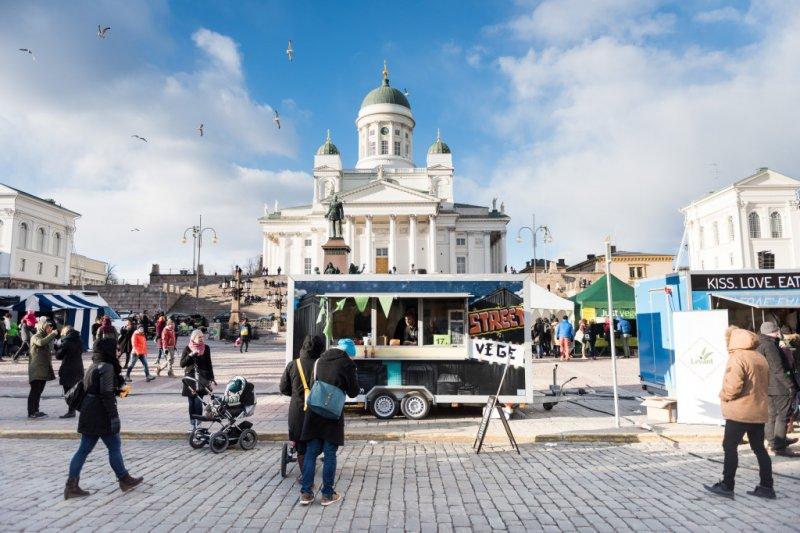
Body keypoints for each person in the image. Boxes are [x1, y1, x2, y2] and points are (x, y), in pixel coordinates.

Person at [64, 338, 143, 499]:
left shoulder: (95, 364)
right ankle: (124, 479)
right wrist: (114, 417)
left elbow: (114, 392)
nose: (118, 351)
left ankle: (71, 486)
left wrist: (125, 388)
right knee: (113, 445)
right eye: (116, 349)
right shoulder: (106, 367)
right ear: (108, 350)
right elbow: (107, 394)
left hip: (89, 412)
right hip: (100, 413)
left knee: (84, 449)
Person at [705, 326, 775, 499]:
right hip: (758, 410)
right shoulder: (759, 357)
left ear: (732, 341)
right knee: (759, 449)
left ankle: (727, 485)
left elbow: (733, 387)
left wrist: (723, 395)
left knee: (729, 447)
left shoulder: (737, 357)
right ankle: (767, 487)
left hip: (740, 411)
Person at [299, 342, 359, 506]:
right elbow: (353, 392)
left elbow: (313, 384)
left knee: (311, 451)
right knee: (330, 453)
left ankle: (306, 493)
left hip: (314, 411)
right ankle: (327, 494)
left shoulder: (319, 361)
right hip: (332, 413)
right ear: (348, 352)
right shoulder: (348, 364)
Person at [280, 335, 325, 480]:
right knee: (316, 439)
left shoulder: (293, 365)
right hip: (318, 410)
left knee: (300, 445)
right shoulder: (322, 365)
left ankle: (306, 475)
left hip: (297, 410)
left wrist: (296, 395)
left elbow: (283, 388)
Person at [757, 322, 799, 456]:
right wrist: (790, 385)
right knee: (782, 415)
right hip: (778, 387)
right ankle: (779, 446)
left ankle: (773, 443)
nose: (778, 332)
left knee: (771, 416)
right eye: (777, 330)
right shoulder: (770, 346)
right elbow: (778, 369)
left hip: (767, 386)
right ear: (773, 331)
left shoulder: (760, 344)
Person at [181, 329, 216, 431]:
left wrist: (212, 378)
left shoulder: (206, 348)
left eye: (202, 337)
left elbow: (209, 364)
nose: (201, 339)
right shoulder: (187, 349)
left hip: (201, 380)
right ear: (193, 338)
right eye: (199, 337)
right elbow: (182, 364)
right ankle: (192, 425)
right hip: (190, 379)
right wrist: (191, 355)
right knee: (191, 403)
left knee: (198, 402)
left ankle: (199, 424)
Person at [28, 318, 58, 418]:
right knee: (35, 391)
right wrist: (52, 334)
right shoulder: (35, 337)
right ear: (43, 327)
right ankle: (31, 412)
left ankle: (36, 410)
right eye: (48, 327)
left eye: (50, 327)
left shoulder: (47, 338)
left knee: (39, 392)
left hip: (43, 370)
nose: (50, 329)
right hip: (36, 369)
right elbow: (41, 342)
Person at [55, 325, 85, 418]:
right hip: (78, 368)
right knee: (75, 391)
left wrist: (57, 347)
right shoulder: (79, 340)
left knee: (68, 392)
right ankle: (75, 410)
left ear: (66, 332)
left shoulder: (66, 341)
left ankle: (71, 411)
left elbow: (59, 356)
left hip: (68, 369)